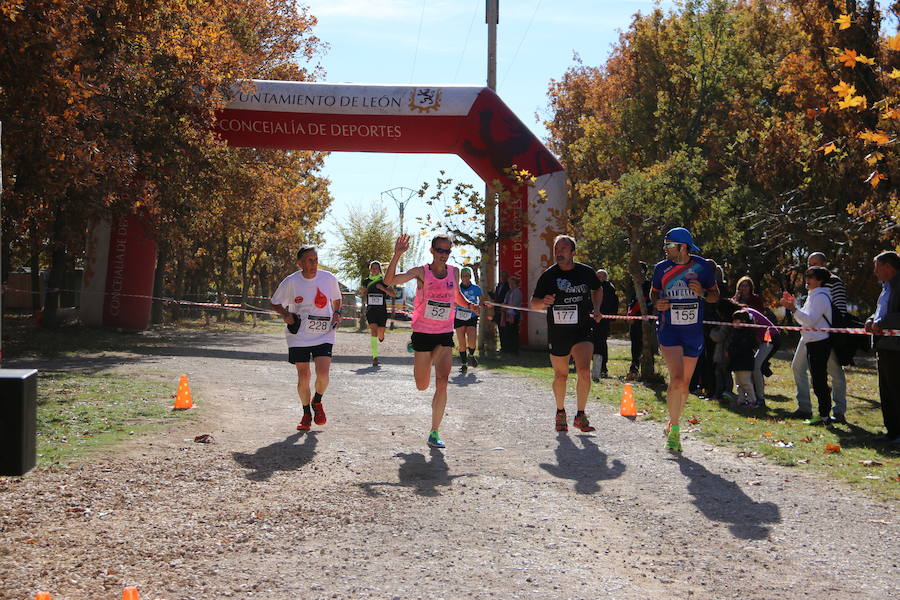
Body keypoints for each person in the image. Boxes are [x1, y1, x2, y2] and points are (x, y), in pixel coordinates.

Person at [384, 233, 475, 448]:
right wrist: (397, 254)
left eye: (447, 251)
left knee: (442, 381)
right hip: (423, 334)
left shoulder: (454, 272)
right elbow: (389, 281)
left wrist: (470, 305)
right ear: (432, 251)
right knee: (422, 385)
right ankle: (414, 346)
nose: (444, 255)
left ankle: (435, 431)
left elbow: (456, 296)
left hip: (444, 334)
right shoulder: (421, 273)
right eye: (440, 250)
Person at [651, 227, 720, 451]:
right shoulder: (661, 268)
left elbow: (715, 296)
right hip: (669, 330)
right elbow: (654, 293)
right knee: (677, 379)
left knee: (685, 386)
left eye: (669, 245)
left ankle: (672, 421)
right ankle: (676, 432)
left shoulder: (702, 267)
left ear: (683, 247)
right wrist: (657, 303)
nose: (665, 249)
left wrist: (702, 293)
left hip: (693, 332)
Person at [530, 235, 603, 433]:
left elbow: (598, 289)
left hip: (582, 329)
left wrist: (596, 307)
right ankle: (560, 411)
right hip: (558, 331)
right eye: (556, 249)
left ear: (573, 252)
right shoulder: (548, 276)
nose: (559, 252)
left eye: (563, 248)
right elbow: (533, 303)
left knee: (584, 371)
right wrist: (543, 301)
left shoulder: (586, 272)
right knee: (561, 376)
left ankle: (580, 414)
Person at [270, 245, 342, 431]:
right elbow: (275, 303)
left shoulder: (328, 278)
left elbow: (337, 299)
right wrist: (286, 314)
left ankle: (317, 401)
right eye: (309, 260)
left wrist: (337, 313)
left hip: (324, 332)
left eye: (316, 259)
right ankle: (306, 414)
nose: (314, 263)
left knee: (323, 374)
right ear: (300, 263)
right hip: (299, 334)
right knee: (304, 375)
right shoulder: (291, 281)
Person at [791, 252, 847, 422]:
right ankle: (804, 407)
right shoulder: (812, 288)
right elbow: (807, 313)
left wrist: (833, 329)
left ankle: (838, 411)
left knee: (834, 373)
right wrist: (794, 305)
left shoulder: (831, 283)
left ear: (824, 264)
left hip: (824, 335)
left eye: (814, 264)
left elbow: (838, 309)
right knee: (798, 367)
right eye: (809, 264)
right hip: (809, 334)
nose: (809, 269)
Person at [781, 266, 833, 425]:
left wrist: (793, 309)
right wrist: (794, 306)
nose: (807, 279)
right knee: (817, 380)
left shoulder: (821, 297)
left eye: (811, 276)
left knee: (819, 381)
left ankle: (824, 416)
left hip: (820, 342)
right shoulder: (812, 295)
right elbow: (802, 319)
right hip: (812, 341)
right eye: (806, 276)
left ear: (820, 280)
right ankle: (822, 414)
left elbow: (809, 320)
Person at [865, 251, 900, 444]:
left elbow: (892, 316)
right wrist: (871, 320)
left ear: (888, 267)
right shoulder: (886, 287)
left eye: (877, 267)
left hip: (896, 347)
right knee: (886, 391)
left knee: (896, 390)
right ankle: (892, 431)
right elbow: (880, 311)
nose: (875, 272)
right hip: (884, 346)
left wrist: (883, 322)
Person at [364, 261, 397, 367]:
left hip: (382, 311)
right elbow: (363, 293)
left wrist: (383, 289)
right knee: (373, 332)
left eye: (376, 268)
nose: (374, 270)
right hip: (371, 311)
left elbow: (393, 294)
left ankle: (381, 336)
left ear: (379, 269)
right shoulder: (366, 281)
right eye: (373, 268)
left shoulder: (384, 281)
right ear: (370, 269)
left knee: (380, 333)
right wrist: (362, 293)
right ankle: (375, 357)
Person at [591, 269, 619, 381]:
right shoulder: (593, 287)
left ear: (605, 277)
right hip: (593, 319)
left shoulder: (609, 288)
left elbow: (614, 303)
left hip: (603, 320)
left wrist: (611, 317)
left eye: (600, 276)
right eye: (597, 276)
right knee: (592, 342)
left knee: (601, 343)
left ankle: (602, 367)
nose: (598, 279)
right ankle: (597, 367)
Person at [626, 262, 652, 379]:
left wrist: (632, 314)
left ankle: (645, 370)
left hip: (644, 319)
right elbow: (631, 301)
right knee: (634, 344)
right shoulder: (633, 284)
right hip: (634, 319)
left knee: (643, 345)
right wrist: (629, 313)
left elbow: (644, 300)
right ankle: (634, 367)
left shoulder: (648, 285)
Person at [454, 266, 483, 373]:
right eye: (463, 276)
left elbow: (482, 301)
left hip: (471, 317)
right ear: (461, 277)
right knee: (461, 343)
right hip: (459, 317)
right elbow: (452, 301)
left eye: (467, 276)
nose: (465, 278)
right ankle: (464, 364)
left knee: (472, 342)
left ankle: (471, 355)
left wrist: (481, 305)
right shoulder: (457, 289)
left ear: (470, 277)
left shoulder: (476, 288)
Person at [728, 309, 759, 407]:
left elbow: (746, 346)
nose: (734, 323)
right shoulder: (735, 332)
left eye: (736, 320)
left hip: (745, 361)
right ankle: (741, 400)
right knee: (739, 383)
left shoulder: (748, 333)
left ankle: (752, 400)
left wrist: (734, 349)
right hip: (736, 361)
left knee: (746, 382)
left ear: (743, 322)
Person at [499, 275, 523, 355]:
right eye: (510, 283)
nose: (511, 285)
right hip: (507, 315)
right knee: (508, 332)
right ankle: (507, 349)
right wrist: (503, 306)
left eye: (513, 283)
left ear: (516, 284)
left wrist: (506, 307)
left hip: (514, 315)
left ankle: (514, 350)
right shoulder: (509, 292)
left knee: (514, 332)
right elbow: (506, 301)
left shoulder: (517, 292)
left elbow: (515, 303)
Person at [490, 270, 511, 352]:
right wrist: (490, 293)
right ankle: (503, 347)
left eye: (504, 276)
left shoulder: (508, 286)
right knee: (500, 329)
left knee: (506, 330)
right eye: (501, 276)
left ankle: (507, 348)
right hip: (497, 310)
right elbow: (496, 297)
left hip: (505, 311)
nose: (502, 277)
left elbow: (505, 298)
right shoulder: (498, 286)